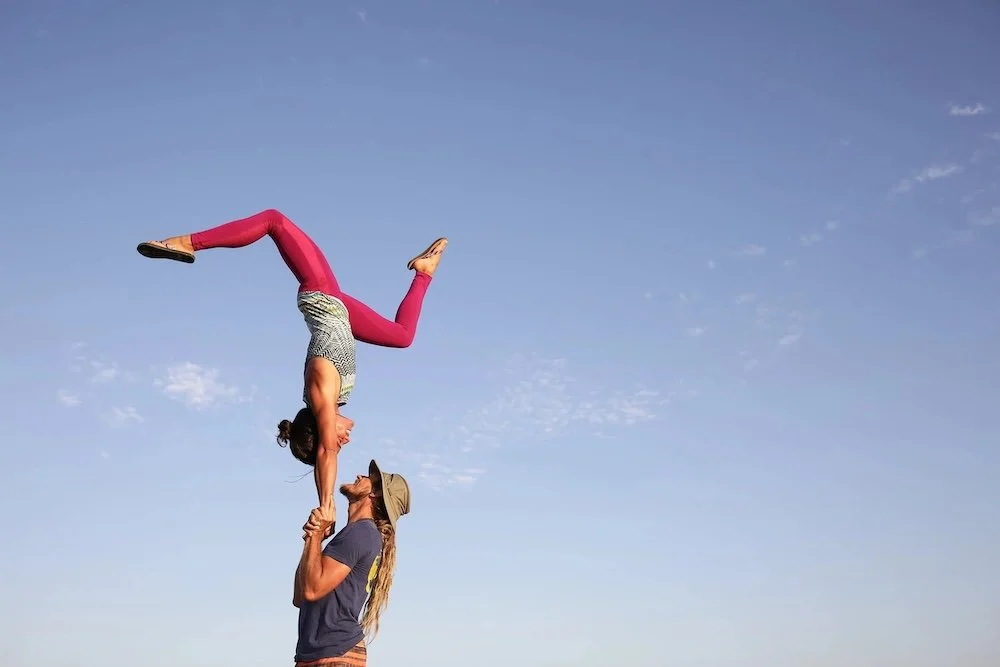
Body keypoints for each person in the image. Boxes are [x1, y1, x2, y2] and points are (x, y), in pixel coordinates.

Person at [136, 209, 445, 519]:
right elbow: (326, 447)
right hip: (341, 311)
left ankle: (187, 242)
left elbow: (326, 451)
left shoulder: (321, 391)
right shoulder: (333, 395)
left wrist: (327, 504)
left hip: (320, 294)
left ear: (321, 429)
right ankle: (424, 271)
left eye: (338, 440)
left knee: (274, 220)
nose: (345, 440)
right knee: (402, 336)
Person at [293, 460, 411, 667]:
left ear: (375, 494)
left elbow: (312, 590)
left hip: (334, 654)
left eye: (369, 479)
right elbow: (300, 597)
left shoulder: (361, 533)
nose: (360, 476)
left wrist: (316, 534)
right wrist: (314, 539)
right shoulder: (356, 534)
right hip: (321, 654)